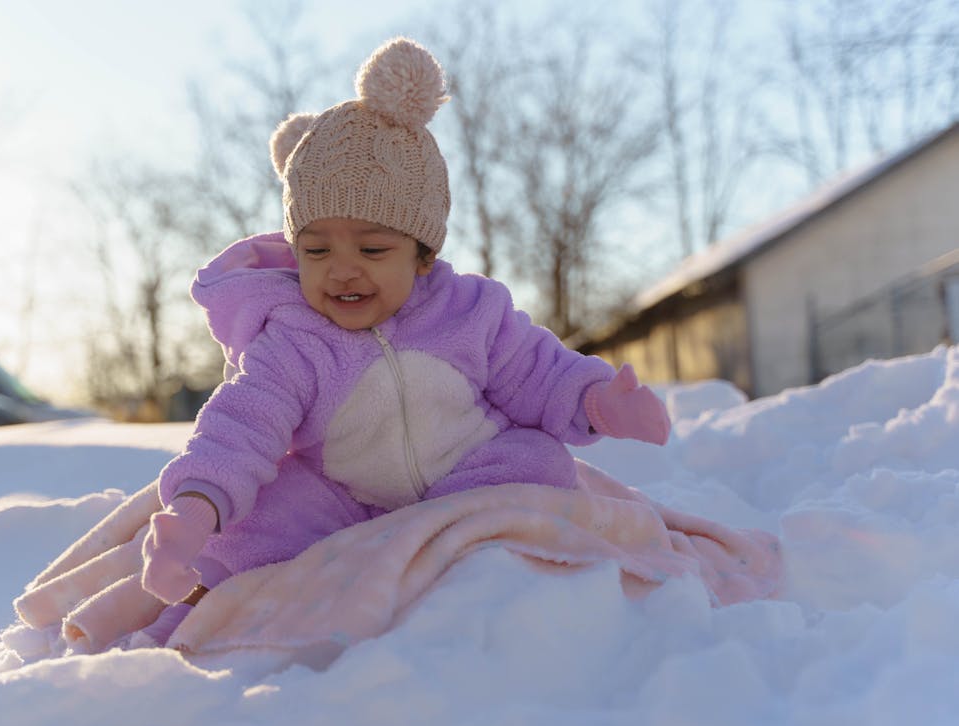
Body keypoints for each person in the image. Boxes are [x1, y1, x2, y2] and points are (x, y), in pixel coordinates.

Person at [132, 38, 670, 647]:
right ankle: (202, 607)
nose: (342, 270)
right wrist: (196, 509)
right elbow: (240, 428)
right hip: (344, 501)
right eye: (316, 250)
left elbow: (538, 371)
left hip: (467, 473)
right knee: (257, 521)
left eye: (371, 249)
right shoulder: (291, 342)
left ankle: (487, 573)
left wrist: (598, 400)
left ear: (421, 254)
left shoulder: (469, 310)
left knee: (540, 464)